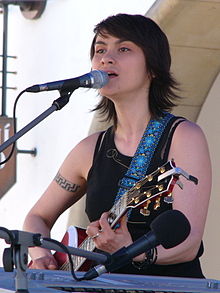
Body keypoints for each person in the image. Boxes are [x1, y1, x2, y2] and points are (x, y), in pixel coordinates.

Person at [23, 13, 211, 278]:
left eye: (123, 49)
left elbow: (188, 245)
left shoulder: (182, 137)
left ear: (153, 68)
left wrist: (130, 250)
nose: (106, 58)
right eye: (100, 49)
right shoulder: (89, 150)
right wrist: (42, 257)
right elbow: (37, 218)